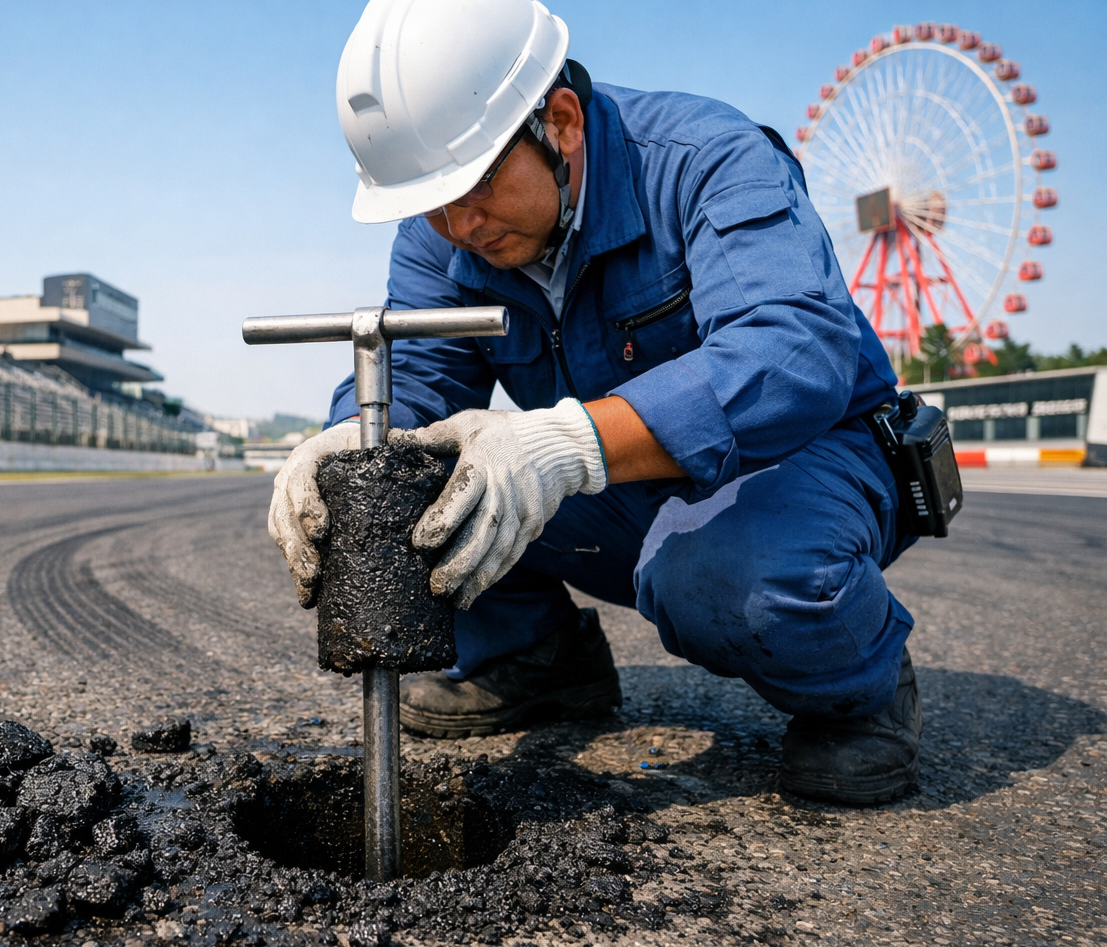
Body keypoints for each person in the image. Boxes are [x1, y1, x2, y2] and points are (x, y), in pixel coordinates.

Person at [268, 0, 922, 805]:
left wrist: (567, 445)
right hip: (631, 479)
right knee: (393, 486)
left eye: (473, 187)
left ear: (563, 123)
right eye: (431, 203)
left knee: (724, 574)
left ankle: (861, 690)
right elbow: (421, 384)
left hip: (808, 462)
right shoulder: (445, 234)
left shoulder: (704, 159)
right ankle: (533, 657)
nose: (459, 225)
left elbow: (795, 353)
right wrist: (341, 445)